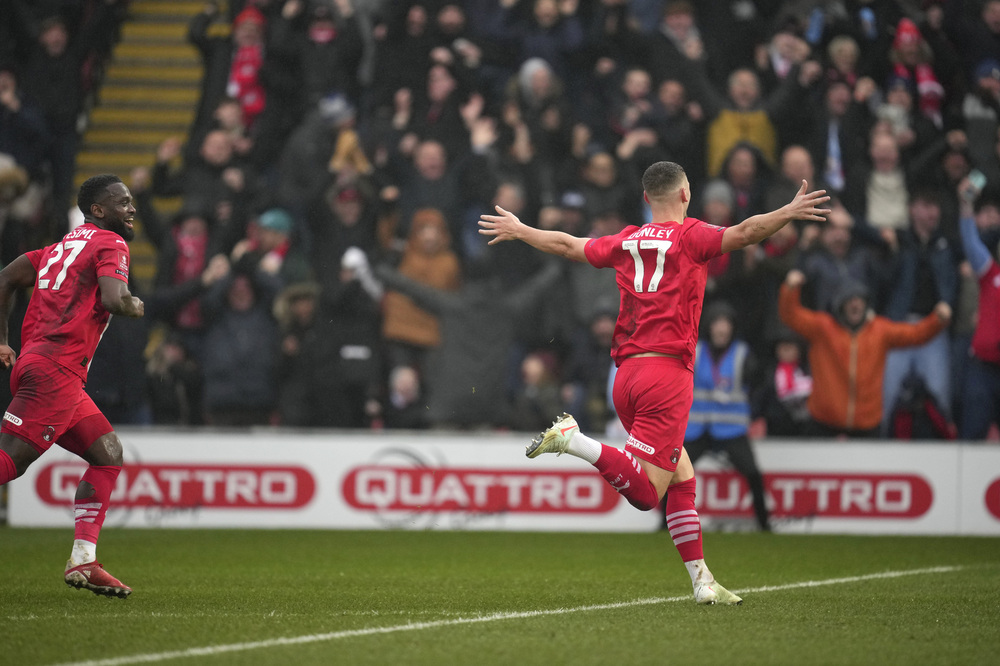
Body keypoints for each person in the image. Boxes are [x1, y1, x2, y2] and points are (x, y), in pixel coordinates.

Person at [479, 161, 830, 604]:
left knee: (682, 476)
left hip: (625, 377)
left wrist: (521, 228)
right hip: (666, 376)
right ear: (685, 195)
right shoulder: (692, 236)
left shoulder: (627, 239)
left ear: (647, 199)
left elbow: (569, 245)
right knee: (648, 494)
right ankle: (574, 440)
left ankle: (702, 580)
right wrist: (788, 211)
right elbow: (744, 233)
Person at [0, 174, 144, 598]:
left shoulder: (57, 247)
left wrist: (3, 340)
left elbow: (4, 278)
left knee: (107, 453)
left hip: (44, 366)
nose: (131, 208)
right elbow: (117, 299)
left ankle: (84, 559)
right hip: (56, 371)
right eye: (123, 202)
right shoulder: (110, 243)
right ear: (98, 210)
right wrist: (134, 305)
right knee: (11, 462)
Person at [778, 270, 951, 438]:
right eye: (850, 300)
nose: (855, 304)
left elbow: (915, 334)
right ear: (840, 304)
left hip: (867, 424)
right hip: (824, 422)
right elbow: (790, 315)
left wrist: (937, 320)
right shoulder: (823, 328)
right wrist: (790, 288)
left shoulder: (880, 330)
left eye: (859, 300)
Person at [683, 301, 770, 532]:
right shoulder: (695, 351)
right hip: (698, 428)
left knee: (752, 473)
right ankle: (664, 524)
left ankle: (765, 524)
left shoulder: (743, 354)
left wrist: (754, 411)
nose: (721, 329)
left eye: (726, 324)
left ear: (732, 328)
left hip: (731, 429)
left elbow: (761, 385)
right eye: (717, 323)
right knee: (673, 473)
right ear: (709, 327)